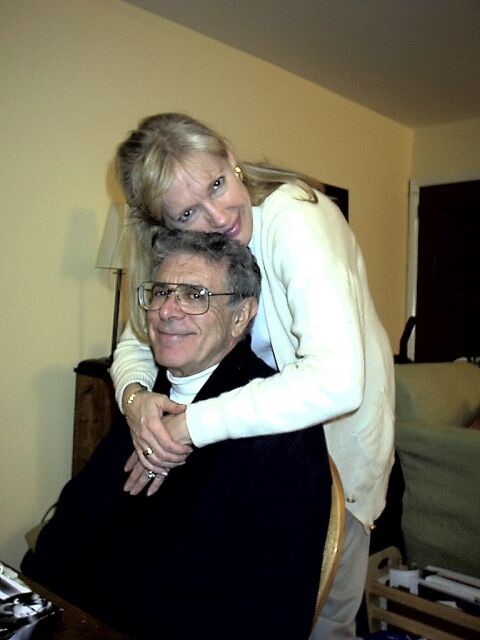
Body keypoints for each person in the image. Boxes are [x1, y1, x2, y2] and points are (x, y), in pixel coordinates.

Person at [111, 112, 395, 639]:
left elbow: (337, 381)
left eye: (218, 184)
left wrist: (187, 425)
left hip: (341, 451)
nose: (219, 216)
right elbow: (134, 340)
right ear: (166, 226)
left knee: (317, 622)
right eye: (189, 212)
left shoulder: (297, 218)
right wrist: (135, 399)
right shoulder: (200, 243)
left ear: (231, 159)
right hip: (263, 444)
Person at [21, 231, 331, 640]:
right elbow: (69, 527)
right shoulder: (147, 400)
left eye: (195, 295)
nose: (167, 310)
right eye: (162, 291)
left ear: (241, 316)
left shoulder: (283, 432)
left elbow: (274, 613)